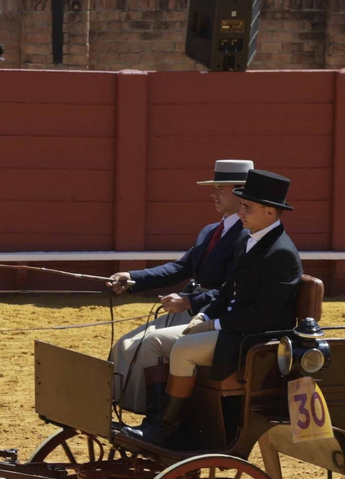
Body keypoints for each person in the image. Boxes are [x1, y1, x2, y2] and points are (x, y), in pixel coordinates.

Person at [125, 167, 303, 447]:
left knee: (184, 349)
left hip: (253, 339)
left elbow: (263, 316)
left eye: (247, 207)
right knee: (153, 341)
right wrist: (205, 314)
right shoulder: (248, 238)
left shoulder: (280, 252)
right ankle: (157, 421)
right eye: (242, 206)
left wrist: (215, 324)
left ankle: (166, 429)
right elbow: (226, 289)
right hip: (231, 329)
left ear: (270, 212)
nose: (241, 213)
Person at [106, 158, 252, 415]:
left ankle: (157, 416)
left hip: (211, 314)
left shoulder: (248, 234)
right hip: (189, 307)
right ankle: (122, 409)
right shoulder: (210, 231)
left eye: (220, 188)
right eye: (214, 188)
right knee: (124, 345)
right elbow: (181, 267)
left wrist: (190, 302)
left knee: (148, 343)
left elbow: (234, 287)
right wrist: (132, 277)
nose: (213, 194)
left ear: (241, 191)